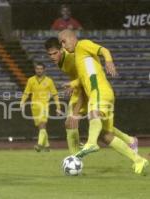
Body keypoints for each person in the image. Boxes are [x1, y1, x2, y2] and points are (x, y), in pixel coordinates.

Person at [58, 30, 148, 174]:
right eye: (60, 43)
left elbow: (103, 50)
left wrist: (109, 61)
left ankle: (91, 143)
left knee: (93, 114)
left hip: (99, 90)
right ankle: (138, 160)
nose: (63, 45)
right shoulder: (79, 57)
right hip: (103, 93)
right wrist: (74, 83)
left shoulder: (82, 44)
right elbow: (87, 75)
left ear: (72, 37)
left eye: (64, 41)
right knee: (106, 136)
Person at [44, 37, 139, 155]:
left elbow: (85, 81)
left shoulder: (71, 59)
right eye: (50, 54)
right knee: (98, 127)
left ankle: (76, 158)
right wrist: (73, 85)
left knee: (73, 122)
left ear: (62, 49)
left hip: (87, 91)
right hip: (80, 90)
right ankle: (129, 140)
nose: (52, 56)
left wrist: (76, 110)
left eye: (55, 53)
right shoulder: (60, 61)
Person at [20, 63, 62, 152]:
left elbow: (54, 94)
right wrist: (22, 102)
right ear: (35, 70)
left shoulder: (49, 81)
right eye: (37, 69)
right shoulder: (30, 80)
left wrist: (58, 107)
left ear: (44, 70)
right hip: (34, 107)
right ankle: (47, 146)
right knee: (41, 128)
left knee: (43, 124)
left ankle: (39, 145)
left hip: (44, 106)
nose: (39, 70)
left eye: (41, 69)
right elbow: (26, 92)